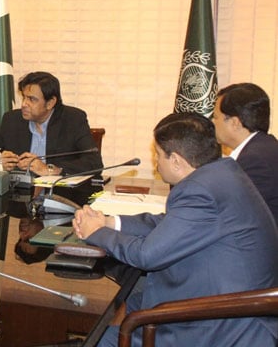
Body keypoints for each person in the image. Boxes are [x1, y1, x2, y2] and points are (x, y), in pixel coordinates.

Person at [74, 112, 278, 346]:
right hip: (230, 303)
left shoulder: (201, 191)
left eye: (158, 155)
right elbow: (170, 223)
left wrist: (95, 233)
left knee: (105, 335)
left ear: (177, 161)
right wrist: (111, 222)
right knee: (130, 301)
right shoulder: (222, 173)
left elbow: (146, 255)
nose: (155, 162)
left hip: (223, 326)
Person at [0, 71, 103, 177]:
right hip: (20, 196)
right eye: (24, 97)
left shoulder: (73, 119)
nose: (24, 104)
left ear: (50, 103)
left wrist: (50, 169)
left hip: (58, 196)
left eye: (32, 99)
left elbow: (94, 163)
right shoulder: (12, 120)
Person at [212, 82, 278, 223]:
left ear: (235, 123)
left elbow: (227, 215)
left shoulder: (255, 160)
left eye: (216, 117)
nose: (213, 122)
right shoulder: (264, 148)